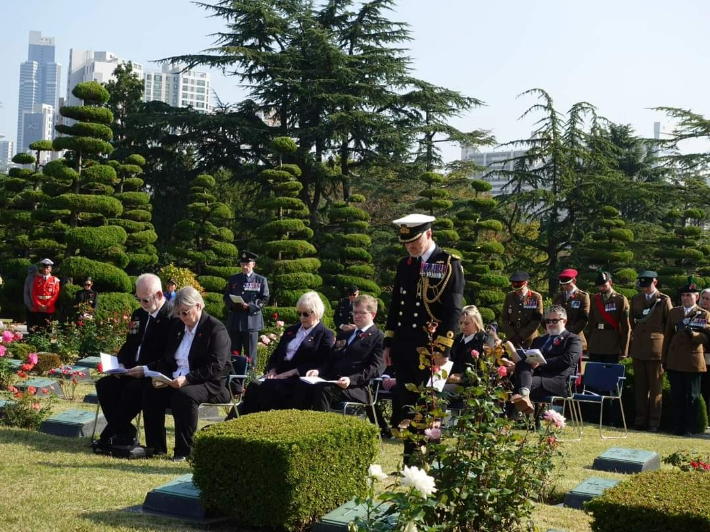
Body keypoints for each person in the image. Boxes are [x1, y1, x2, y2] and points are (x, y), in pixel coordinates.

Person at [383, 213, 464, 463]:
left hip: (432, 349)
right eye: (406, 244)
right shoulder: (405, 264)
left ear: (429, 235)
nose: (410, 247)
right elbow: (396, 305)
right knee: (406, 405)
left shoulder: (448, 263)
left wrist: (444, 349)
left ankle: (431, 463)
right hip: (405, 347)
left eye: (414, 242)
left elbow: (453, 310)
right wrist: (388, 342)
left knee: (428, 407)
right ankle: (410, 461)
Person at [139, 287, 232, 460]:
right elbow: (168, 359)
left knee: (184, 396)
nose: (182, 317)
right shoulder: (178, 327)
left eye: (185, 313)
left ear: (198, 306)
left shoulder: (215, 329)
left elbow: (215, 366)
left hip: (208, 383)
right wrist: (157, 375)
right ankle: (156, 447)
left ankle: (184, 450)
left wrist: (188, 379)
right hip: (176, 379)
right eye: (179, 313)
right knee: (150, 392)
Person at [95, 274, 176, 445]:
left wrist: (145, 369)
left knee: (133, 389)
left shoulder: (172, 318)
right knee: (105, 385)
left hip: (153, 372)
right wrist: (121, 363)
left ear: (159, 295)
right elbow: (130, 344)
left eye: (145, 300)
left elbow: (169, 355)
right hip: (131, 369)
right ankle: (125, 431)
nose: (141, 304)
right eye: (138, 299)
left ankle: (108, 435)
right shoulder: (139, 314)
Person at [238, 291, 335, 415]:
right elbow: (276, 353)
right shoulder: (291, 330)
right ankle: (240, 422)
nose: (302, 318)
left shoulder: (325, 334)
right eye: (299, 313)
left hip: (299, 378)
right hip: (279, 374)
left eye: (306, 314)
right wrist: (272, 369)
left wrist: (293, 371)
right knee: (254, 386)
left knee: (271, 388)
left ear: (317, 313)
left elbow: (322, 362)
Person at [296, 294, 384, 411]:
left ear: (372, 315)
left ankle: (322, 427)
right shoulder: (345, 334)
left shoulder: (379, 337)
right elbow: (331, 360)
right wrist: (318, 371)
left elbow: (376, 368)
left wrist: (351, 379)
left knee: (323, 389)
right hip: (333, 380)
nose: (356, 316)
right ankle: (299, 424)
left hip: (358, 387)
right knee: (303, 384)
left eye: (361, 313)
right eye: (354, 312)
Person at [510, 305, 583, 414]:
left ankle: (513, 419)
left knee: (520, 384)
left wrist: (541, 363)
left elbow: (567, 360)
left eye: (555, 321)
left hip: (557, 379)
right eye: (548, 321)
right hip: (535, 375)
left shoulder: (573, 339)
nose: (550, 324)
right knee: (522, 364)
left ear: (564, 321)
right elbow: (527, 359)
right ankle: (524, 398)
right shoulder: (538, 340)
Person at [662, 278, 710, 436]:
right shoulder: (674, 312)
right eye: (683, 295)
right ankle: (677, 426)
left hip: (693, 360)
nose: (685, 298)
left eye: (689, 295)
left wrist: (693, 334)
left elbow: (706, 338)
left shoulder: (703, 314)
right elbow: (667, 336)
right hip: (675, 359)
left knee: (692, 396)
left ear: (696, 297)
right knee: (677, 395)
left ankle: (690, 427)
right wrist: (664, 358)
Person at [629, 271, 672, 432]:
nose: (645, 289)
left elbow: (669, 324)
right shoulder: (636, 299)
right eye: (642, 286)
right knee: (640, 387)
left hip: (656, 349)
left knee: (655, 388)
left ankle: (654, 421)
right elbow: (632, 321)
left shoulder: (664, 300)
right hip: (639, 347)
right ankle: (640, 419)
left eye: (647, 285)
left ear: (655, 282)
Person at [223, 251, 270, 369]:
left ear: (253, 264)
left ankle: (249, 379)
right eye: (242, 264)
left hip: (251, 322)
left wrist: (250, 306)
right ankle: (234, 379)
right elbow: (226, 296)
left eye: (247, 264)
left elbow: (264, 299)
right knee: (234, 353)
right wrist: (233, 305)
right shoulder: (234, 279)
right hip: (235, 321)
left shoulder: (260, 280)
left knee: (250, 355)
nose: (244, 266)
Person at [444, 305, 496, 391]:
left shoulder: (486, 339)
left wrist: (462, 378)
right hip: (451, 381)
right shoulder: (456, 339)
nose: (463, 326)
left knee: (437, 394)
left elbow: (487, 369)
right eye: (460, 323)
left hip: (473, 387)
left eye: (467, 323)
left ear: (476, 322)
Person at [586, 269, 631, 363]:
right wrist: (589, 344)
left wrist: (624, 350)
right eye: (599, 286)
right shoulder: (595, 298)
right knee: (595, 373)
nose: (601, 288)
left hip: (612, 343)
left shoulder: (620, 300)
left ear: (610, 282)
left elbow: (626, 327)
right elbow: (590, 323)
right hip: (596, 343)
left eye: (604, 286)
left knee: (609, 374)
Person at [501, 272, 544, 349]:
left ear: (526, 283)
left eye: (520, 289)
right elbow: (504, 318)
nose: (518, 292)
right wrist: (511, 335)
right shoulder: (509, 297)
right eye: (516, 289)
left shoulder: (535, 297)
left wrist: (522, 336)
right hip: (512, 338)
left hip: (529, 339)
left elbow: (537, 320)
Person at [552, 269, 590, 352]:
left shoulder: (582, 296)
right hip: (557, 337)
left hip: (574, 337)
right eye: (563, 284)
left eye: (567, 284)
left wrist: (568, 334)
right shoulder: (558, 297)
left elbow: (583, 319)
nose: (565, 287)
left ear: (574, 281)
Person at [31, 258, 60, 330]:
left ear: (51, 269)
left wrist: (47, 306)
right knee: (38, 327)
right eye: (44, 268)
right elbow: (33, 293)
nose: (45, 270)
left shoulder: (55, 280)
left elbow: (56, 294)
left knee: (48, 327)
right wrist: (39, 305)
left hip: (49, 307)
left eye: (47, 268)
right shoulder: (37, 279)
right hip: (38, 308)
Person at [700, 287, 710, 421]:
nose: (705, 301)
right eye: (704, 298)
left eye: (708, 299)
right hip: (698, 357)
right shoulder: (697, 314)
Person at [23, 264, 38, 331]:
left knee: (39, 325)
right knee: (30, 326)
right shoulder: (28, 279)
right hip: (30, 306)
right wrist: (29, 305)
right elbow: (26, 293)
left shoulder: (40, 278)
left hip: (39, 306)